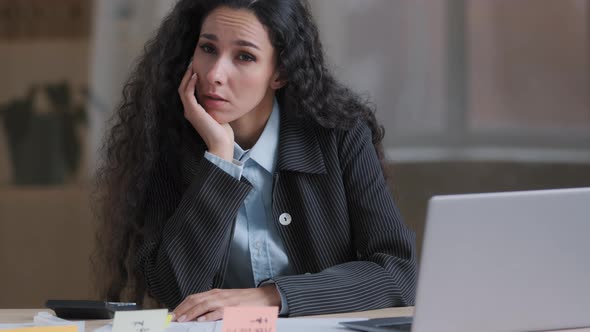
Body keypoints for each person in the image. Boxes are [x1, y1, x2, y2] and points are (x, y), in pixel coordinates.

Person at [94, 0, 417, 322]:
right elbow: (176, 288)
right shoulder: (166, 143)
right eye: (208, 48)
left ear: (280, 73)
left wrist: (270, 297)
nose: (215, 74)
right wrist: (220, 161)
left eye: (244, 56)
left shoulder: (338, 136)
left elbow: (397, 273)